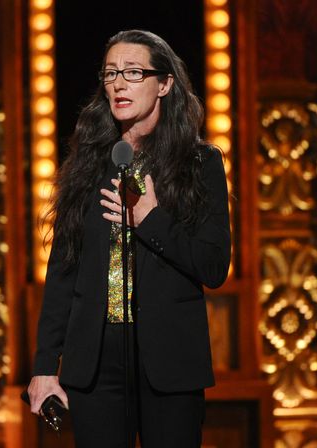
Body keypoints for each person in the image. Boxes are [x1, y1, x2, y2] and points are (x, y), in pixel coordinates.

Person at [25, 29, 231, 447]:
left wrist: (150, 219)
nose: (118, 83)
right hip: (97, 365)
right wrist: (46, 366)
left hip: (169, 363)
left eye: (133, 72)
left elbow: (212, 267)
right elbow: (63, 271)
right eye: (111, 73)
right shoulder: (88, 163)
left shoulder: (199, 163)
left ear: (165, 83)